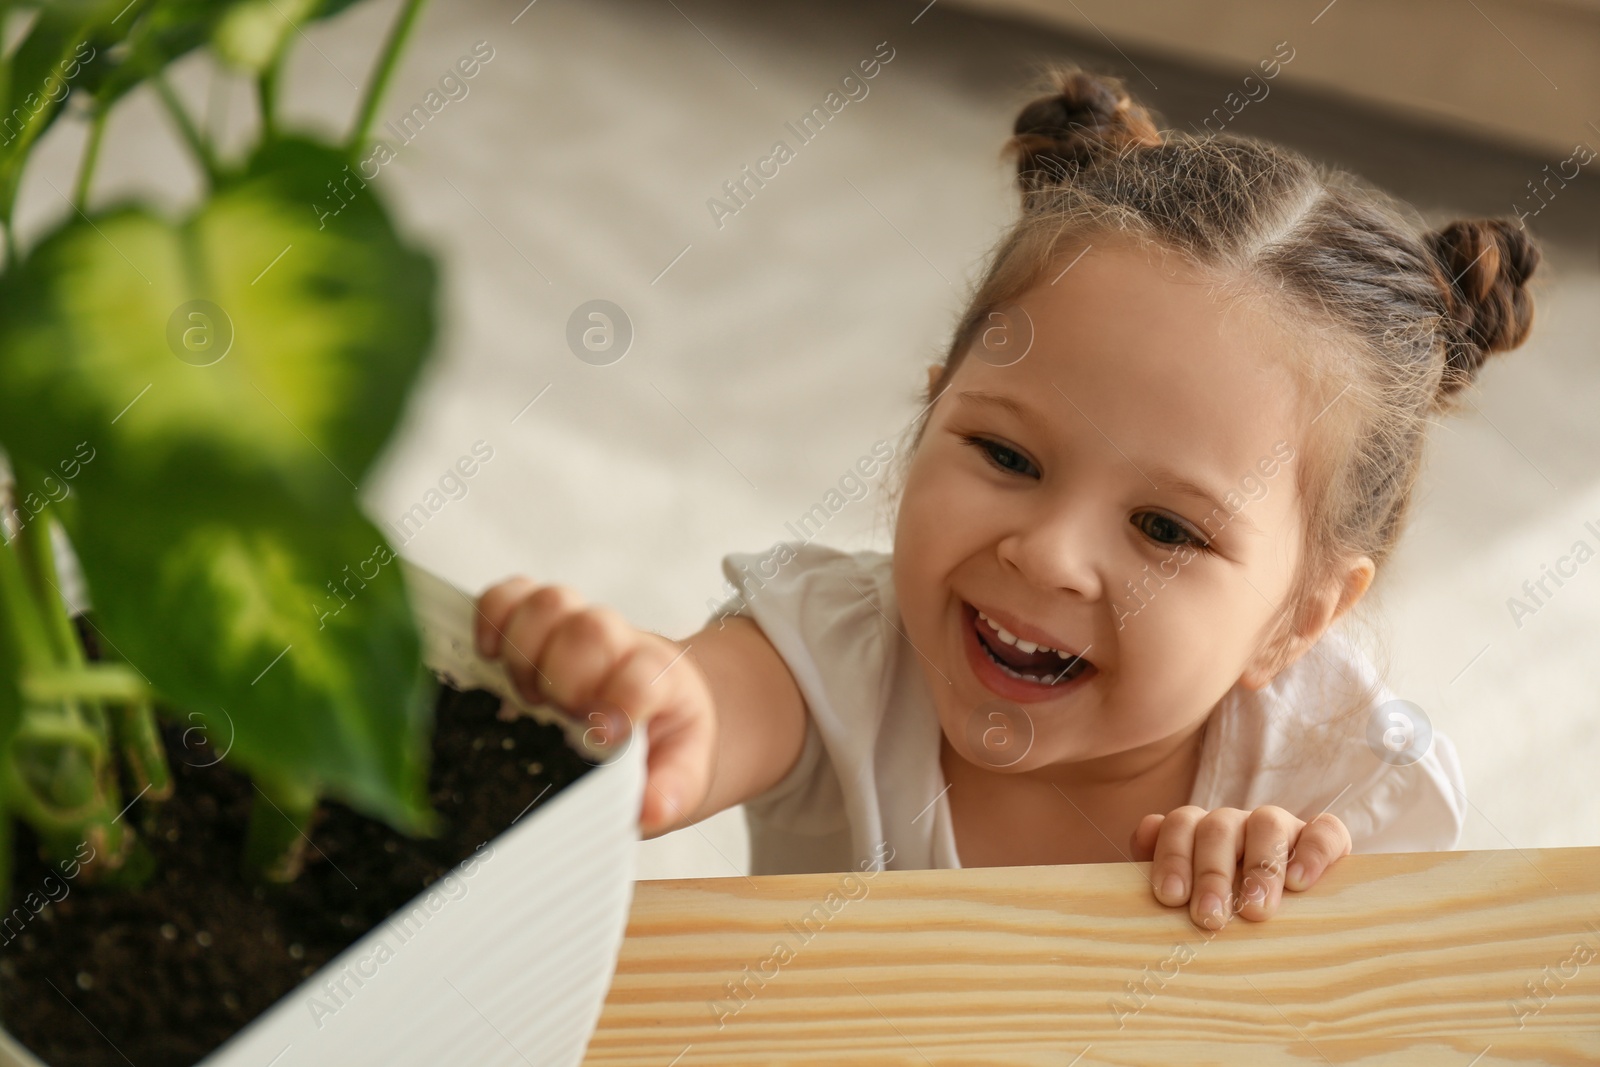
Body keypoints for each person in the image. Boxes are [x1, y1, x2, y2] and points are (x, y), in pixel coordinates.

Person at [474, 66, 1540, 930]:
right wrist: (648, 694)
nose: (1047, 553)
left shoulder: (1342, 784)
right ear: (928, 417)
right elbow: (707, 710)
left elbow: (1381, 1008)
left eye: (1166, 527)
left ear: (1299, 616)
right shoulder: (835, 650)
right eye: (1004, 453)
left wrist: (1278, 920)